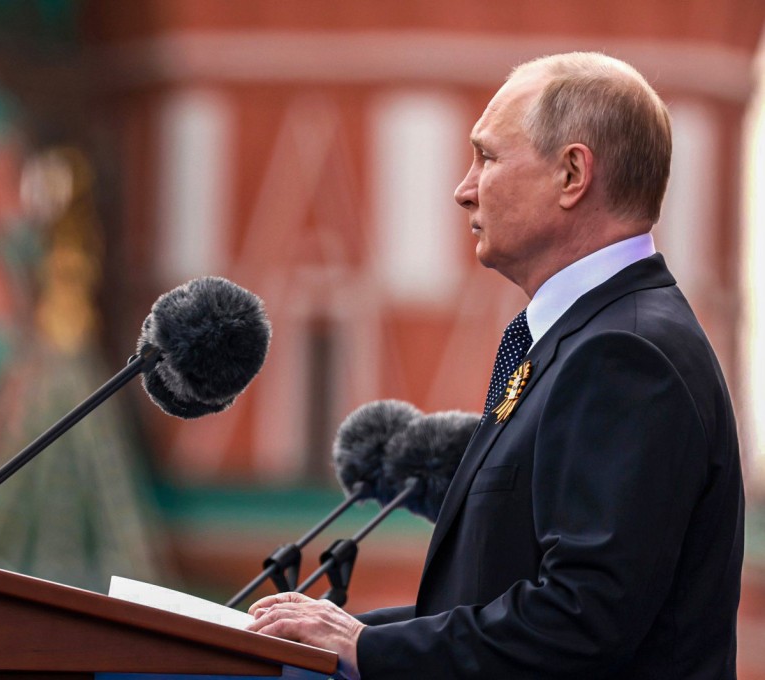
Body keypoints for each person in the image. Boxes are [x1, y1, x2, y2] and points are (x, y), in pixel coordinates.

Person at [246, 52, 744, 679]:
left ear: (571, 174)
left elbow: (578, 624)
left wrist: (366, 650)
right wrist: (341, 634)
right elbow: (496, 601)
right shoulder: (588, 337)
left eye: (487, 157)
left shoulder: (624, 355)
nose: (463, 188)